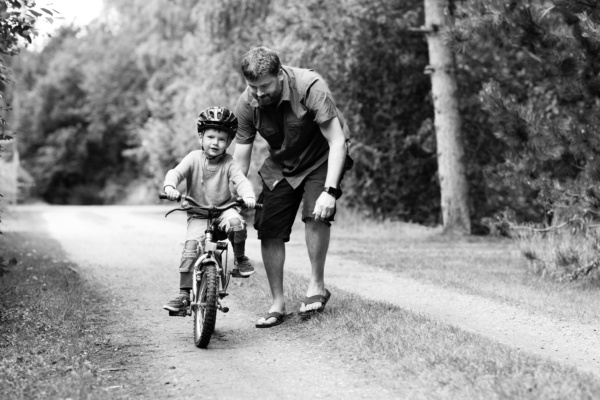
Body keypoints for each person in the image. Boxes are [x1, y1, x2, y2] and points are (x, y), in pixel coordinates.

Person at [233, 46, 352, 328]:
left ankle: (316, 286)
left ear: (280, 75)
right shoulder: (247, 103)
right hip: (282, 164)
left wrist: (330, 191)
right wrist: (235, 195)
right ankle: (277, 303)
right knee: (269, 225)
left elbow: (337, 142)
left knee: (316, 213)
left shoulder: (311, 87)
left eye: (265, 86)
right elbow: (241, 156)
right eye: (253, 87)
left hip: (321, 157)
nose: (259, 93)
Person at [162, 106, 256, 313]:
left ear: (229, 142)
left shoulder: (229, 162)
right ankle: (184, 295)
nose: (215, 142)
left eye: (222, 139)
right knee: (190, 247)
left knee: (236, 223)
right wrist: (170, 187)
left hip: (223, 211)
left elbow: (241, 180)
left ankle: (240, 259)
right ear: (200, 137)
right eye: (211, 136)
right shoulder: (193, 158)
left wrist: (248, 195)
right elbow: (175, 173)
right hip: (198, 213)